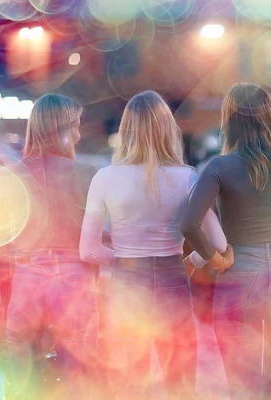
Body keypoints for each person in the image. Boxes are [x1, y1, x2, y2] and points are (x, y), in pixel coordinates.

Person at [79, 90, 231, 399]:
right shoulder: (188, 178)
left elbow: (89, 251)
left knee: (127, 382)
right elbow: (218, 242)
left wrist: (126, 259)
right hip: (172, 279)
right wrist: (191, 263)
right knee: (180, 381)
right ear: (167, 129)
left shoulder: (105, 178)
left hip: (125, 286)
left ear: (126, 131)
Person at [182, 83, 271, 400]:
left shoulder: (219, 167)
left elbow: (189, 224)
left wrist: (215, 259)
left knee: (243, 387)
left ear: (229, 120)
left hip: (241, 272)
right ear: (269, 118)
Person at [0, 94, 99, 400]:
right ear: (63, 129)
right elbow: (91, 243)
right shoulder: (85, 173)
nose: (78, 134)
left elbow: (2, 247)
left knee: (22, 380)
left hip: (27, 281)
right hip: (74, 282)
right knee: (78, 377)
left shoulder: (8, 175)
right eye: (76, 126)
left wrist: (7, 302)